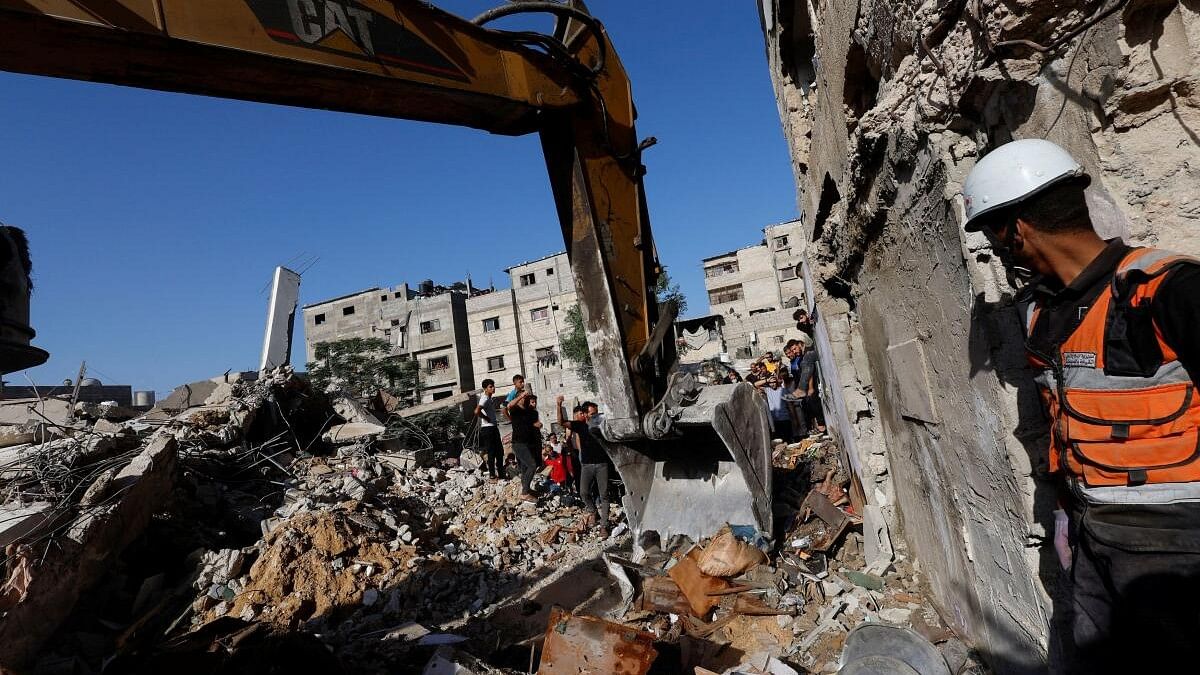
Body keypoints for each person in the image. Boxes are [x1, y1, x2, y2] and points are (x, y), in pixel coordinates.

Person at [962, 138, 1200, 674]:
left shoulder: (1164, 289)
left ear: (1014, 231)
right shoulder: (1045, 314)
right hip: (1093, 538)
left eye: (994, 238)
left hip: (1179, 551)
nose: (998, 253)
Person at [562, 401, 611, 535]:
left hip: (602, 464)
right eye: (592, 414)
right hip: (587, 465)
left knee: (604, 495)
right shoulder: (581, 426)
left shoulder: (602, 425)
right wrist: (558, 405)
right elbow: (562, 422)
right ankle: (592, 511)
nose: (595, 416)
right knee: (584, 492)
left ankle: (604, 525)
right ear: (584, 414)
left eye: (596, 413)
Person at [506, 389, 543, 502]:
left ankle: (526, 488)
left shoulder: (527, 411)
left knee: (525, 468)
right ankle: (525, 493)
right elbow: (508, 405)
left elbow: (530, 424)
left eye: (525, 398)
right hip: (519, 443)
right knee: (532, 465)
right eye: (522, 397)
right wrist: (520, 395)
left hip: (527, 444)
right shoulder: (515, 409)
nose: (524, 399)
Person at [473, 379, 504, 480]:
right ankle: (492, 474)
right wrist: (486, 418)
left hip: (492, 427)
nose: (493, 388)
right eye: (490, 387)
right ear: (485, 389)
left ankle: (500, 473)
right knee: (492, 452)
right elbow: (477, 411)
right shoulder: (484, 398)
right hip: (488, 428)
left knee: (499, 451)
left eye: (493, 386)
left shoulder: (489, 399)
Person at [761, 375, 792, 442]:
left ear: (777, 382)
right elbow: (755, 384)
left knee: (788, 440)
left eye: (774, 382)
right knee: (780, 441)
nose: (773, 384)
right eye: (771, 383)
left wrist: (794, 418)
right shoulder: (768, 390)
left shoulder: (783, 390)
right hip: (775, 420)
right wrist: (767, 380)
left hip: (785, 419)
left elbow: (790, 405)